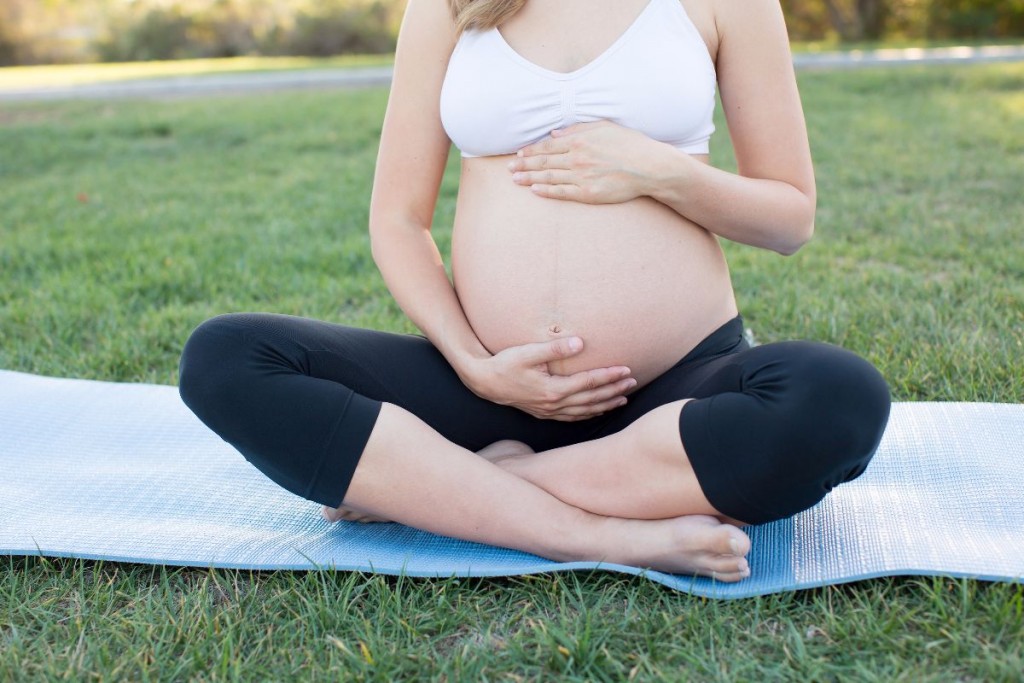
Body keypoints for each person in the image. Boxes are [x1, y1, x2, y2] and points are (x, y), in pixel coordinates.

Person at [178, 0, 891, 583]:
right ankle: (604, 534)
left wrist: (658, 171)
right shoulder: (450, 4)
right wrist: (471, 363)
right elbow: (398, 220)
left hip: (671, 394)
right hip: (488, 389)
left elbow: (790, 217)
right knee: (226, 357)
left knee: (838, 396)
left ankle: (451, 485)